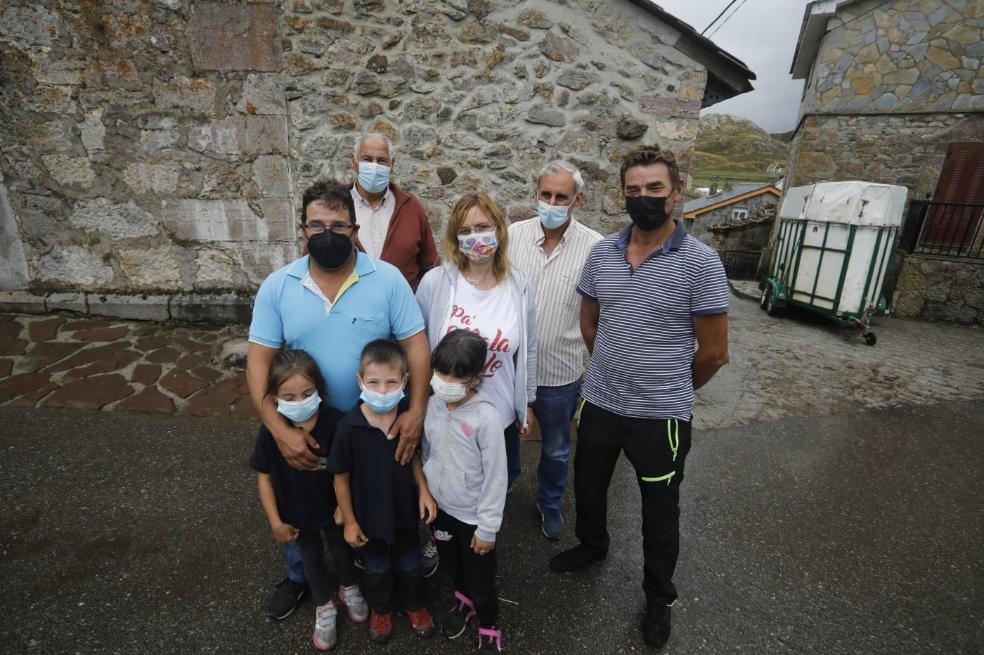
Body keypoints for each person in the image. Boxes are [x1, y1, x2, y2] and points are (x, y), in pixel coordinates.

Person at [549, 146, 730, 650]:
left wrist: (669, 385)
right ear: (622, 195)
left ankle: (658, 598)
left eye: (655, 189)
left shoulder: (701, 262)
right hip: (601, 402)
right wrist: (612, 365)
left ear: (676, 192)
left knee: (659, 511)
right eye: (634, 190)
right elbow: (590, 323)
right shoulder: (603, 253)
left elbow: (714, 353)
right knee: (587, 486)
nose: (644, 198)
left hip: (660, 417)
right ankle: (592, 545)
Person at [246, 180, 431, 621]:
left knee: (374, 496)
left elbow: (417, 347)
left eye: (337, 225)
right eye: (317, 225)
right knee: (300, 501)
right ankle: (300, 576)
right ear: (302, 229)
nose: (327, 233)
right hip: (304, 425)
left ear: (354, 230)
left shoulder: (386, 279)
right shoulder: (278, 286)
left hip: (371, 426)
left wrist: (418, 410)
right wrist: (279, 428)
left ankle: (380, 564)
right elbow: (258, 364)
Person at [249, 348, 369, 651]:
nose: (299, 402)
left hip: (334, 511)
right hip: (297, 515)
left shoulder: (337, 423)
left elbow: (351, 470)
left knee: (343, 551)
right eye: (288, 397)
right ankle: (323, 605)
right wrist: (275, 521)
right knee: (311, 560)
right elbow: (263, 476)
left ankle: (350, 587)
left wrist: (345, 508)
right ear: (273, 397)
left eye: (307, 393)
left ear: (320, 388)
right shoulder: (271, 433)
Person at [415, 192, 536, 491]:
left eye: (482, 227)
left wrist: (527, 402)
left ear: (499, 228)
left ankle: (486, 535)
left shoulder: (519, 286)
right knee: (446, 482)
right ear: (455, 239)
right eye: (465, 231)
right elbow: (418, 346)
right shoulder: (436, 283)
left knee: (497, 485)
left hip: (500, 414)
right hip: (449, 412)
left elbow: (529, 348)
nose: (475, 236)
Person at [507, 160, 602, 540]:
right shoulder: (512, 236)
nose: (551, 202)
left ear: (576, 199)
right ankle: (501, 490)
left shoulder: (595, 248)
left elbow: (601, 309)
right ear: (535, 194)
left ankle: (549, 503)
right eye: (545, 194)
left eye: (561, 196)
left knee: (558, 448)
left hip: (560, 373)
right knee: (504, 437)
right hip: (511, 370)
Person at [329, 340, 437, 643]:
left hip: (403, 511)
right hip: (367, 516)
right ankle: (381, 609)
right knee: (375, 568)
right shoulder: (348, 428)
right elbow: (339, 476)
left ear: (404, 381)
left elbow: (413, 455)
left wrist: (424, 492)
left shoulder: (407, 418)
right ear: (360, 381)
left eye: (391, 382)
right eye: (374, 382)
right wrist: (349, 520)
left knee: (410, 563)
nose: (383, 390)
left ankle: (415, 605)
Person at [423, 330, 507, 655]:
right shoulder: (432, 405)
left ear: (476, 377)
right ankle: (463, 601)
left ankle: (489, 624)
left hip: (473, 518)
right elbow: (426, 452)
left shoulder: (486, 418)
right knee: (453, 567)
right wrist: (427, 494)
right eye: (440, 373)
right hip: (440, 511)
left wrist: (487, 528)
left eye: (455, 377)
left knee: (481, 581)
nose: (444, 382)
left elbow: (496, 478)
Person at [350, 133, 439, 291]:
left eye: (382, 160)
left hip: (402, 312)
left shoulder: (411, 208)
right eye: (367, 159)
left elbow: (431, 269)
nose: (375, 166)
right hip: (350, 311)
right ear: (354, 163)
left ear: (392, 165)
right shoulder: (336, 207)